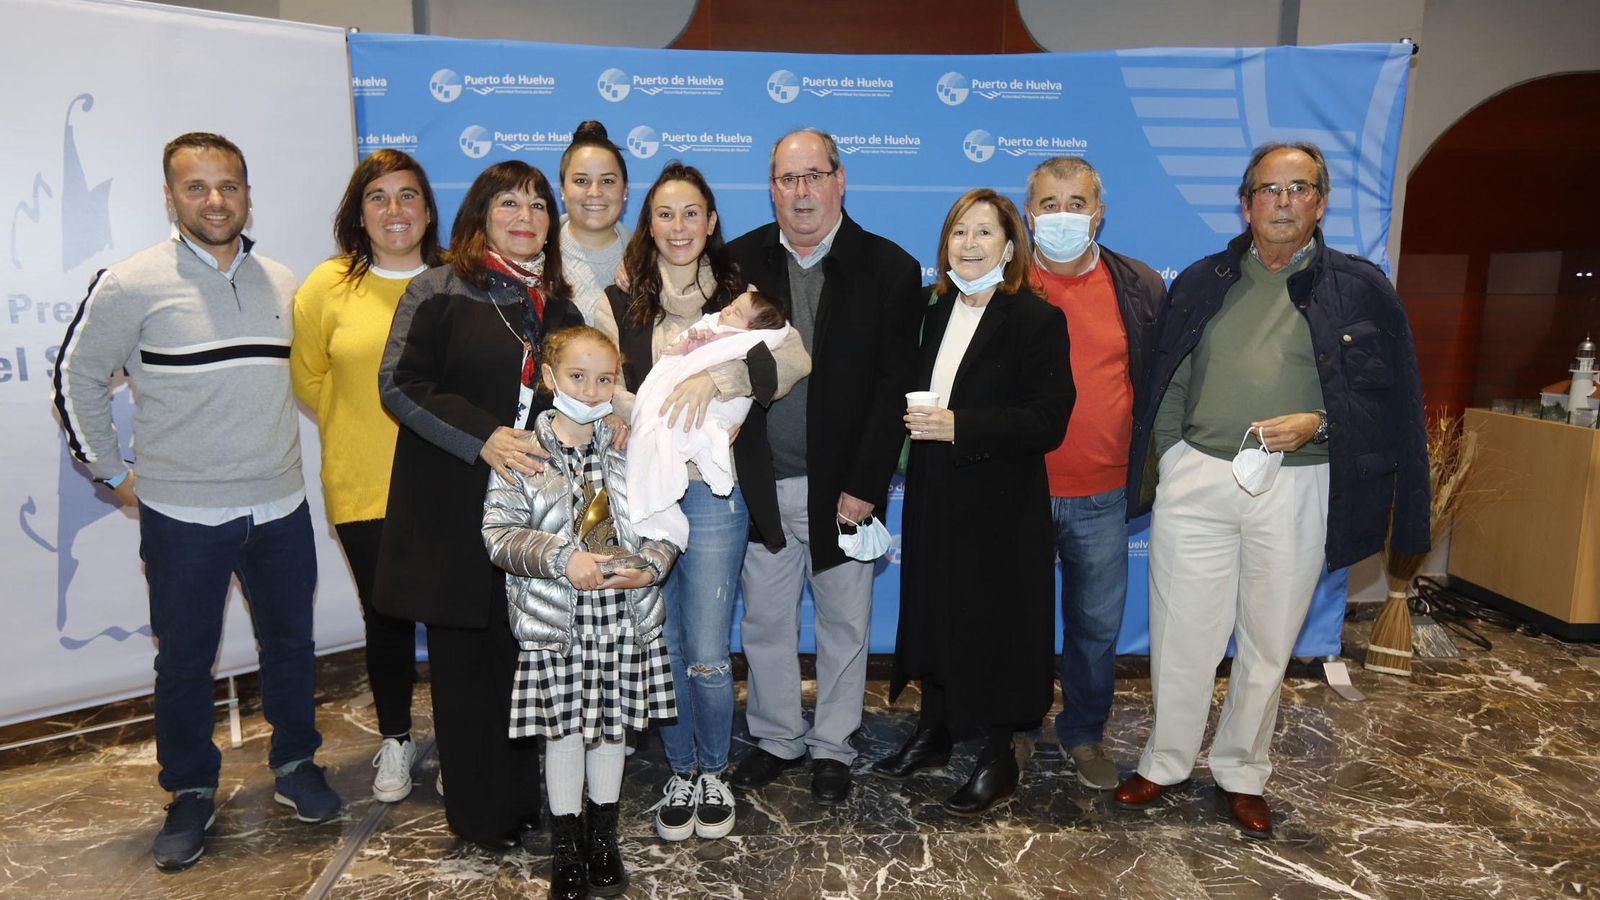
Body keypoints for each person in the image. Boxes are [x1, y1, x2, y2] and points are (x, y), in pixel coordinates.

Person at [1114, 142, 1429, 838]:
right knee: (1180, 636)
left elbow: (1388, 400)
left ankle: (1242, 770)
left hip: (1299, 482)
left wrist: (1319, 421)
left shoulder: (1360, 287)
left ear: (1320, 201)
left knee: (1266, 639)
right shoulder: (1204, 279)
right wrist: (1173, 463)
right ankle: (1165, 761)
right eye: (1269, 190)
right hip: (1198, 475)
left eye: (1299, 189)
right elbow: (1169, 380)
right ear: (1246, 201)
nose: (1283, 202)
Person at [52, 132, 341, 870]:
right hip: (182, 517)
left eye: (229, 186)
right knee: (184, 661)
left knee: (290, 647)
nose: (215, 201)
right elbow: (75, 379)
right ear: (170, 196)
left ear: (247, 193)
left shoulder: (282, 282)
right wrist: (111, 474)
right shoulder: (131, 282)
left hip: (280, 507)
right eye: (196, 187)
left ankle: (295, 764)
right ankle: (188, 789)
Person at [595, 161, 810, 841]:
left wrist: (722, 378)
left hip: (714, 495)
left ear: (711, 222)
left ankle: (715, 769)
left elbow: (795, 358)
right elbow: (599, 382)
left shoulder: (744, 295)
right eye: (665, 213)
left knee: (709, 649)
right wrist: (648, 411)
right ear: (648, 224)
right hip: (645, 491)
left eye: (692, 213)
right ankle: (680, 769)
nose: (679, 226)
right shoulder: (618, 299)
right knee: (667, 642)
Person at [377, 159, 581, 853]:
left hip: (535, 523)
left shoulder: (561, 308)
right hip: (453, 513)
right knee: (465, 674)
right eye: (508, 204)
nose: (525, 217)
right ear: (480, 216)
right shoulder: (437, 289)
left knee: (528, 666)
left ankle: (531, 803)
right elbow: (399, 385)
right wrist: (482, 435)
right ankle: (481, 818)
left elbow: (578, 402)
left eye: (537, 206)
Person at [725, 128, 924, 806]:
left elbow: (893, 387)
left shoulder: (889, 268)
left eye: (814, 176)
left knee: (844, 624)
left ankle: (833, 744)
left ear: (841, 180)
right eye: (788, 178)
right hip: (760, 484)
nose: (801, 191)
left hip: (844, 492)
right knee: (766, 623)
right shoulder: (736, 262)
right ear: (771, 187)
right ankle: (778, 737)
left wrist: (865, 486)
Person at [877, 189, 1073, 815]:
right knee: (935, 605)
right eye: (959, 232)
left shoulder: (1037, 320)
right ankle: (935, 729)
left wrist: (964, 425)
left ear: (1010, 247)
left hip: (1001, 502)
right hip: (937, 491)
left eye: (984, 233)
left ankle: (997, 752)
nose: (969, 244)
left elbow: (1048, 420)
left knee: (996, 621)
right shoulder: (934, 312)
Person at [484, 325, 680, 900]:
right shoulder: (521, 453)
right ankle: (566, 842)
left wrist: (653, 564)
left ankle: (604, 836)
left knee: (612, 730)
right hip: (557, 623)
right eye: (577, 377)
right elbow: (498, 536)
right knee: (566, 732)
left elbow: (663, 523)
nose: (592, 391)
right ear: (548, 379)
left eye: (604, 379)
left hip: (623, 619)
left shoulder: (630, 445)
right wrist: (561, 557)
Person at [290, 149, 444, 804]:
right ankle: (396, 740)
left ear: (428, 209)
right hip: (363, 483)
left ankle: (463, 742)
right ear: (359, 213)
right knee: (385, 618)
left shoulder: (454, 281)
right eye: (377, 197)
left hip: (448, 485)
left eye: (407, 195)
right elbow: (308, 379)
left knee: (456, 619)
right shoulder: (326, 285)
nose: (394, 210)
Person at [1021, 157, 1165, 790]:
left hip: (1104, 493)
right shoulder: (1002, 282)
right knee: (1017, 620)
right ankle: (1017, 729)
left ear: (1098, 213)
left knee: (1096, 628)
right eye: (1048, 204)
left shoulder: (1137, 285)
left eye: (1075, 203)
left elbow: (1158, 382)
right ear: (1028, 213)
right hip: (1018, 489)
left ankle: (1083, 734)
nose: (1061, 216)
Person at [626, 290, 789, 546]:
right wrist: (689, 345)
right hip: (672, 410)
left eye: (736, 312)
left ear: (753, 329)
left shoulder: (742, 339)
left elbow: (787, 363)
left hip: (717, 433)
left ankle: (705, 444)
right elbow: (678, 357)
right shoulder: (629, 296)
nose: (726, 311)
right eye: (731, 305)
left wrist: (715, 378)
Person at [559, 120, 629, 325]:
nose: (594, 192)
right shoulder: (536, 259)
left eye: (607, 181)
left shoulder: (649, 261)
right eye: (581, 181)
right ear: (563, 189)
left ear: (625, 190)